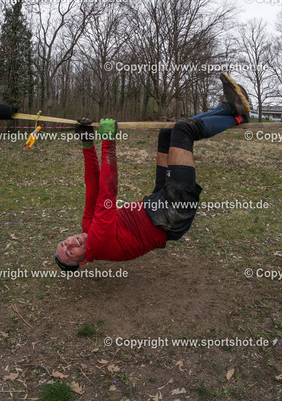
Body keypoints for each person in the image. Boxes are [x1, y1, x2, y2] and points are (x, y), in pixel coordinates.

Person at [54, 73, 251, 271]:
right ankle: (237, 115)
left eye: (64, 243)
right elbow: (107, 191)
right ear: (83, 261)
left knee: (167, 133)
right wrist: (108, 141)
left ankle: (229, 109)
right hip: (172, 215)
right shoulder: (97, 244)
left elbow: (93, 189)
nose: (70, 244)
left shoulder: (88, 228)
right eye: (70, 252)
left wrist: (87, 144)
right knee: (183, 131)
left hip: (157, 203)